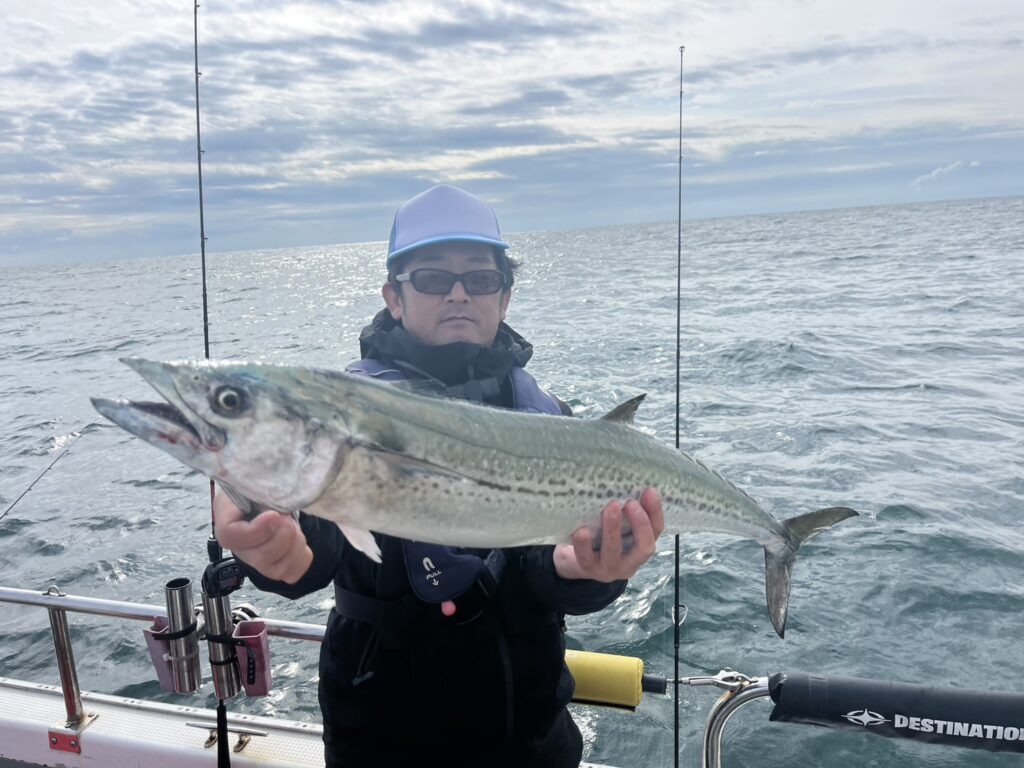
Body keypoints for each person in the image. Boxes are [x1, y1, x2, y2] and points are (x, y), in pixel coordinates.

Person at [213, 184, 664, 767]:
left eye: (480, 278)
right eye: (432, 278)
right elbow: (315, 549)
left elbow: (546, 568)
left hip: (533, 738)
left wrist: (588, 574)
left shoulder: (549, 419)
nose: (458, 293)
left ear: (504, 298)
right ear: (394, 298)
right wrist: (267, 530)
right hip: (385, 740)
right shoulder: (343, 416)